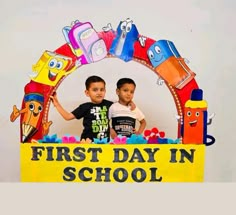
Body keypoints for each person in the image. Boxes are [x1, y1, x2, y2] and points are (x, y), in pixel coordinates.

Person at [50, 75, 113, 142]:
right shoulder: (85, 107)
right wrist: (56, 104)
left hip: (105, 143)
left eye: (102, 89)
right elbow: (67, 117)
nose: (99, 92)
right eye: (95, 90)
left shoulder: (110, 105)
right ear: (87, 93)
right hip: (87, 143)